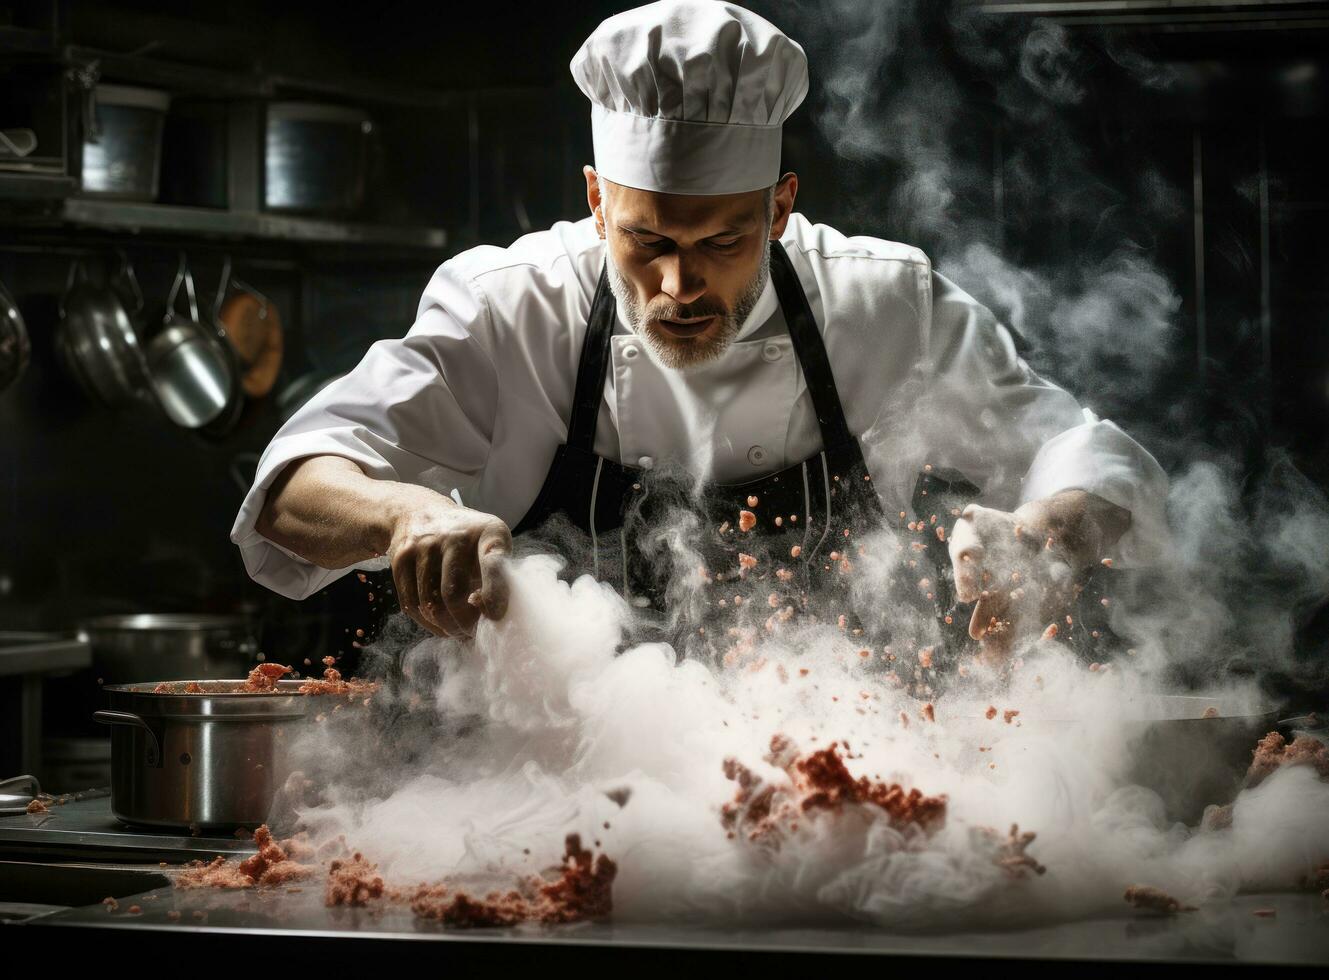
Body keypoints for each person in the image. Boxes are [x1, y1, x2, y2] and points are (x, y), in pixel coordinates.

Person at [231, 0, 1166, 659]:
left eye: (721, 240)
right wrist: (407, 512)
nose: (679, 285)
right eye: (646, 240)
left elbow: (1081, 449)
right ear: (597, 202)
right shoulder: (507, 306)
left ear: (780, 207)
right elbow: (291, 489)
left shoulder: (881, 304)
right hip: (545, 782)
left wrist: (1045, 532)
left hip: (840, 762)